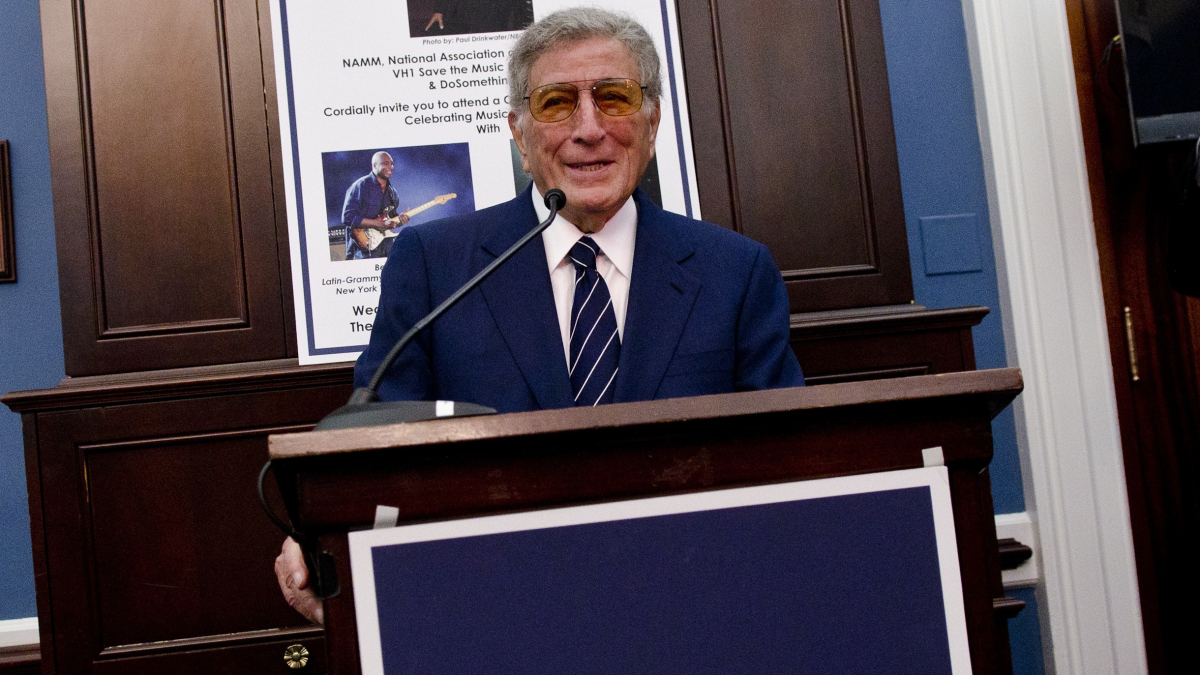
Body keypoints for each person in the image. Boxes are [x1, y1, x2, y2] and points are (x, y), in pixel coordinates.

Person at [277, 6, 803, 624]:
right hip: (496, 610)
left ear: (653, 123)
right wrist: (326, 531)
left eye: (615, 97)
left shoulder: (734, 272)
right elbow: (380, 438)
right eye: (557, 103)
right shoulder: (435, 264)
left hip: (689, 605)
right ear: (519, 134)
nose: (589, 128)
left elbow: (785, 466)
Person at [339, 151, 409, 260]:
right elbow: (347, 217)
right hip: (362, 252)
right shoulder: (360, 186)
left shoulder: (392, 192)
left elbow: (389, 221)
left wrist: (400, 221)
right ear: (375, 165)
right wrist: (378, 223)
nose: (391, 167)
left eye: (392, 163)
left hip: (386, 249)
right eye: (386, 163)